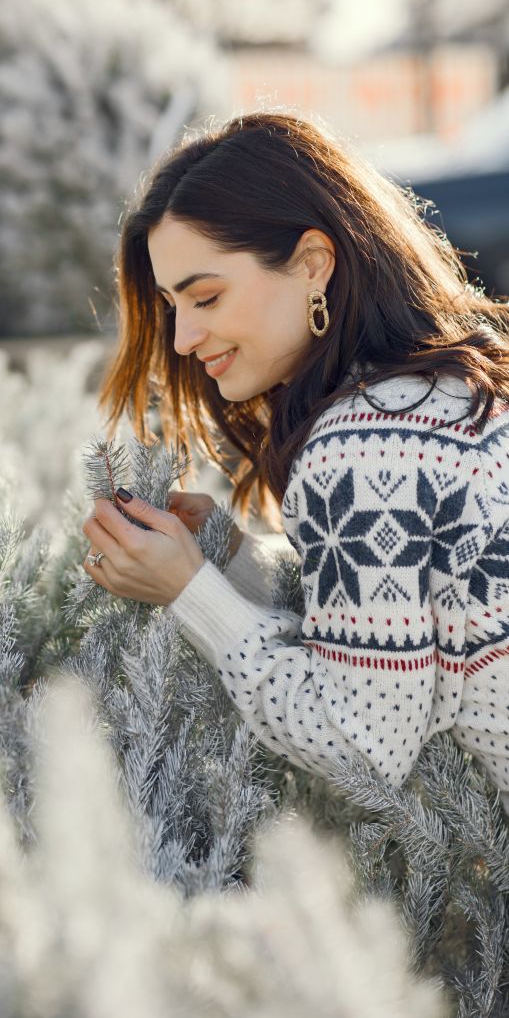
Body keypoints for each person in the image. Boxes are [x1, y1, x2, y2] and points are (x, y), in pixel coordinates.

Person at [81, 109, 509, 814]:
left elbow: (364, 747)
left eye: (206, 296)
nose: (182, 338)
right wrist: (230, 556)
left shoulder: (365, 444)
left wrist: (192, 593)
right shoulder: (445, 391)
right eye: (171, 307)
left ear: (312, 263)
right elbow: (404, 604)